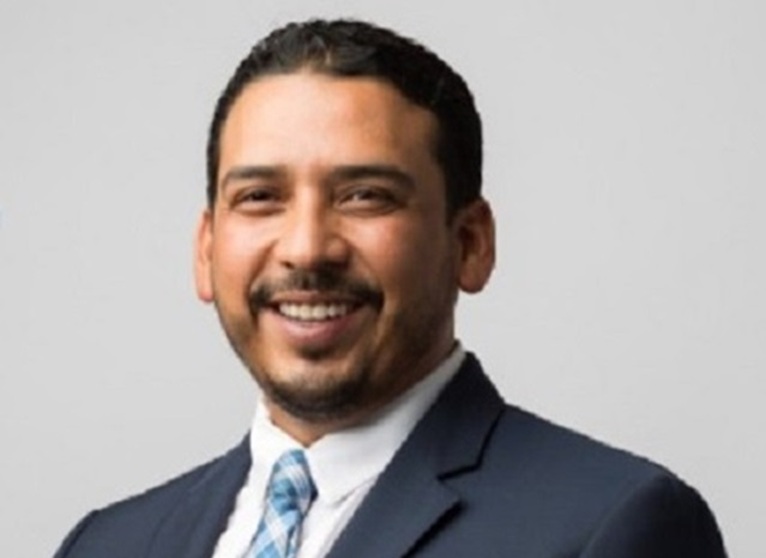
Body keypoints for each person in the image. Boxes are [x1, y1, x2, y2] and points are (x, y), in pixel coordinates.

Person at [54, 18, 727, 558]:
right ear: (206, 250)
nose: (306, 248)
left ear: (470, 243)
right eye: (260, 197)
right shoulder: (106, 544)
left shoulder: (614, 526)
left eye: (365, 195)